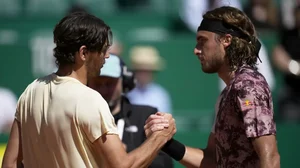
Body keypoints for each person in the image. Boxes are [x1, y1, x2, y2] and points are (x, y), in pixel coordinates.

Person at [2, 12, 175, 168]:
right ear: (83, 53)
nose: (107, 56)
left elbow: (9, 164)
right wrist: (159, 137)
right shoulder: (90, 99)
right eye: (102, 50)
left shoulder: (30, 91)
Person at [145, 6, 280, 168]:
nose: (196, 50)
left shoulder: (248, 86)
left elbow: (270, 157)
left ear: (226, 40)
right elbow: (212, 160)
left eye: (203, 41)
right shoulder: (227, 93)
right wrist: (165, 142)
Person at [88, 54, 174, 168]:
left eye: (110, 83)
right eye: (98, 83)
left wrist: (124, 154)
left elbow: (164, 163)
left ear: (124, 82)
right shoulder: (77, 118)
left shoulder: (147, 116)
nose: (104, 89)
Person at [272, 5, 300, 123]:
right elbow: (278, 57)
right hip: (291, 94)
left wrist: (291, 66)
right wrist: (296, 68)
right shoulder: (287, 35)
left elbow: (285, 61)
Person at [127, 45, 172, 113]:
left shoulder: (161, 95)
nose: (144, 75)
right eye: (140, 70)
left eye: (148, 71)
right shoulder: (126, 93)